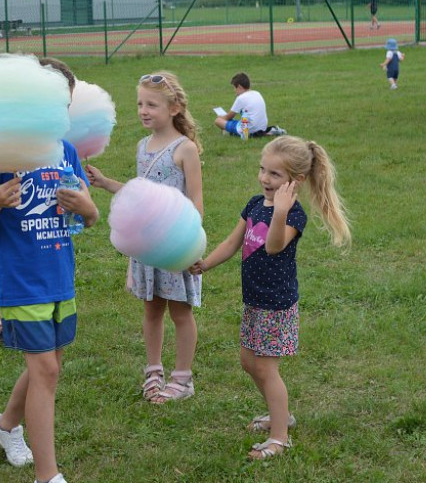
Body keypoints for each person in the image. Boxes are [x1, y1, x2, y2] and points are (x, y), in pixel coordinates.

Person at [0, 58, 98, 483]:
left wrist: (88, 208)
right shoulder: (4, 153)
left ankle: (6, 427)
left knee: (48, 366)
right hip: (22, 282)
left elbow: (89, 215)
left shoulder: (67, 152)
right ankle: (48, 476)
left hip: (60, 276)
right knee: (47, 371)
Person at [193, 135, 351, 461]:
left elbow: (273, 246)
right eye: (263, 170)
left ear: (297, 181)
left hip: (276, 306)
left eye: (275, 174)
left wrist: (279, 212)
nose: (265, 178)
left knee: (266, 369)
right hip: (254, 301)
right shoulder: (254, 204)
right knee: (248, 362)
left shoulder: (293, 216)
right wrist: (206, 264)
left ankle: (280, 437)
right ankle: (279, 414)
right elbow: (233, 242)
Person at [86, 71, 204, 404]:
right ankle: (153, 371)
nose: (143, 110)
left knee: (181, 313)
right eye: (140, 103)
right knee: (152, 311)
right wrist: (108, 182)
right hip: (147, 247)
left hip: (175, 246)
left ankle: (182, 379)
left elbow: (195, 202)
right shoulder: (142, 147)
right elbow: (141, 196)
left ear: (175, 107)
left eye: (151, 104)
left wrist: (190, 243)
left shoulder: (186, 149)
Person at [213, 72, 268, 137]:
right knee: (237, 121)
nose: (234, 90)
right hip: (262, 128)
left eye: (234, 88)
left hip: (248, 130)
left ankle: (230, 132)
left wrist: (221, 117)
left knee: (218, 121)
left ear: (239, 87)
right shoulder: (257, 93)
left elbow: (229, 117)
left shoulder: (241, 98)